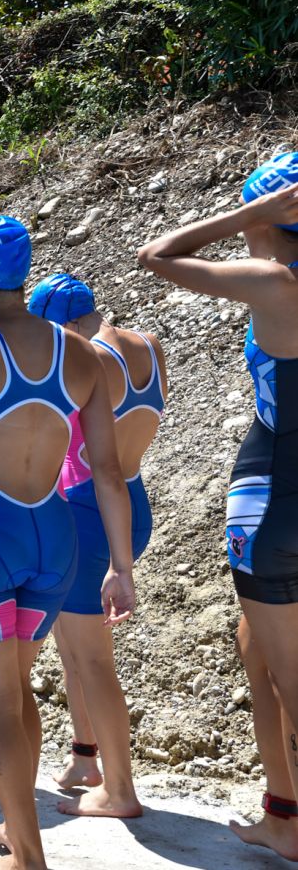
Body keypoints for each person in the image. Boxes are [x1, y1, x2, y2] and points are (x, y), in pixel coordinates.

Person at [0, 215, 134, 869]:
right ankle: (18, 832)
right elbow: (107, 471)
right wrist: (122, 567)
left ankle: (29, 856)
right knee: (19, 688)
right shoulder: (81, 353)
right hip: (55, 537)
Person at [136, 178, 298, 861]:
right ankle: (284, 816)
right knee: (255, 649)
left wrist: (245, 213)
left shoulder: (275, 281)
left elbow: (157, 255)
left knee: (288, 676)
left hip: (276, 502)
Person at [25, 272, 166, 820]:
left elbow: (73, 449)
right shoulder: (148, 346)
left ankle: (121, 790)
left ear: (62, 325)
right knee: (71, 643)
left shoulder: (89, 361)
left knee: (92, 658)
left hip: (90, 513)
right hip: (132, 500)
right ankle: (85, 756)